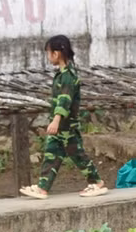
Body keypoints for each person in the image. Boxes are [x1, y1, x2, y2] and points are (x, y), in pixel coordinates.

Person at [20, 35, 107, 199]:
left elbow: (64, 100)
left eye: (48, 52)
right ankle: (42, 188)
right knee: (52, 154)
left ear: (56, 54)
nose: (48, 57)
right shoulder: (62, 74)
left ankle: (96, 182)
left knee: (77, 154)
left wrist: (56, 120)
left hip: (67, 126)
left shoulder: (68, 76)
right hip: (61, 126)